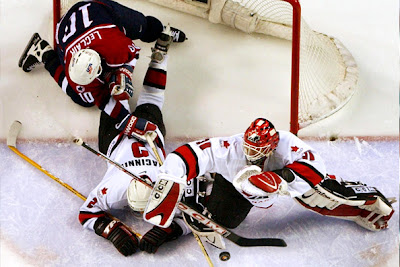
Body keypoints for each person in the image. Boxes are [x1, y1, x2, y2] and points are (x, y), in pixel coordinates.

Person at [142, 118, 395, 234]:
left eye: (257, 149)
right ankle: (199, 183)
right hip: (235, 186)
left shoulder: (286, 142)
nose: (250, 152)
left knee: (323, 196)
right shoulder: (230, 147)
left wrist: (281, 178)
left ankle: (368, 201)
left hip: (272, 185)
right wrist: (171, 176)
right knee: (224, 221)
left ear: (271, 147)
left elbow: (314, 166)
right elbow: (189, 152)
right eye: (248, 146)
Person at [75, 27, 195, 256]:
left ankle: (150, 57)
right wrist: (166, 230)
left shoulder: (118, 191)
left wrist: (114, 230)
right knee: (133, 98)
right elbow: (195, 214)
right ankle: (126, 64)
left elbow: (87, 214)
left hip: (149, 133)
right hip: (124, 137)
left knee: (147, 98)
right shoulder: (122, 191)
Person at [18, 0, 186, 123]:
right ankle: (43, 52)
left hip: (98, 11)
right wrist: (126, 121)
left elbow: (133, 53)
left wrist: (125, 72)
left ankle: (162, 30)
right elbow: (102, 100)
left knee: (143, 26)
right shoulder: (78, 80)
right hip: (63, 30)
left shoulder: (114, 47)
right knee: (83, 99)